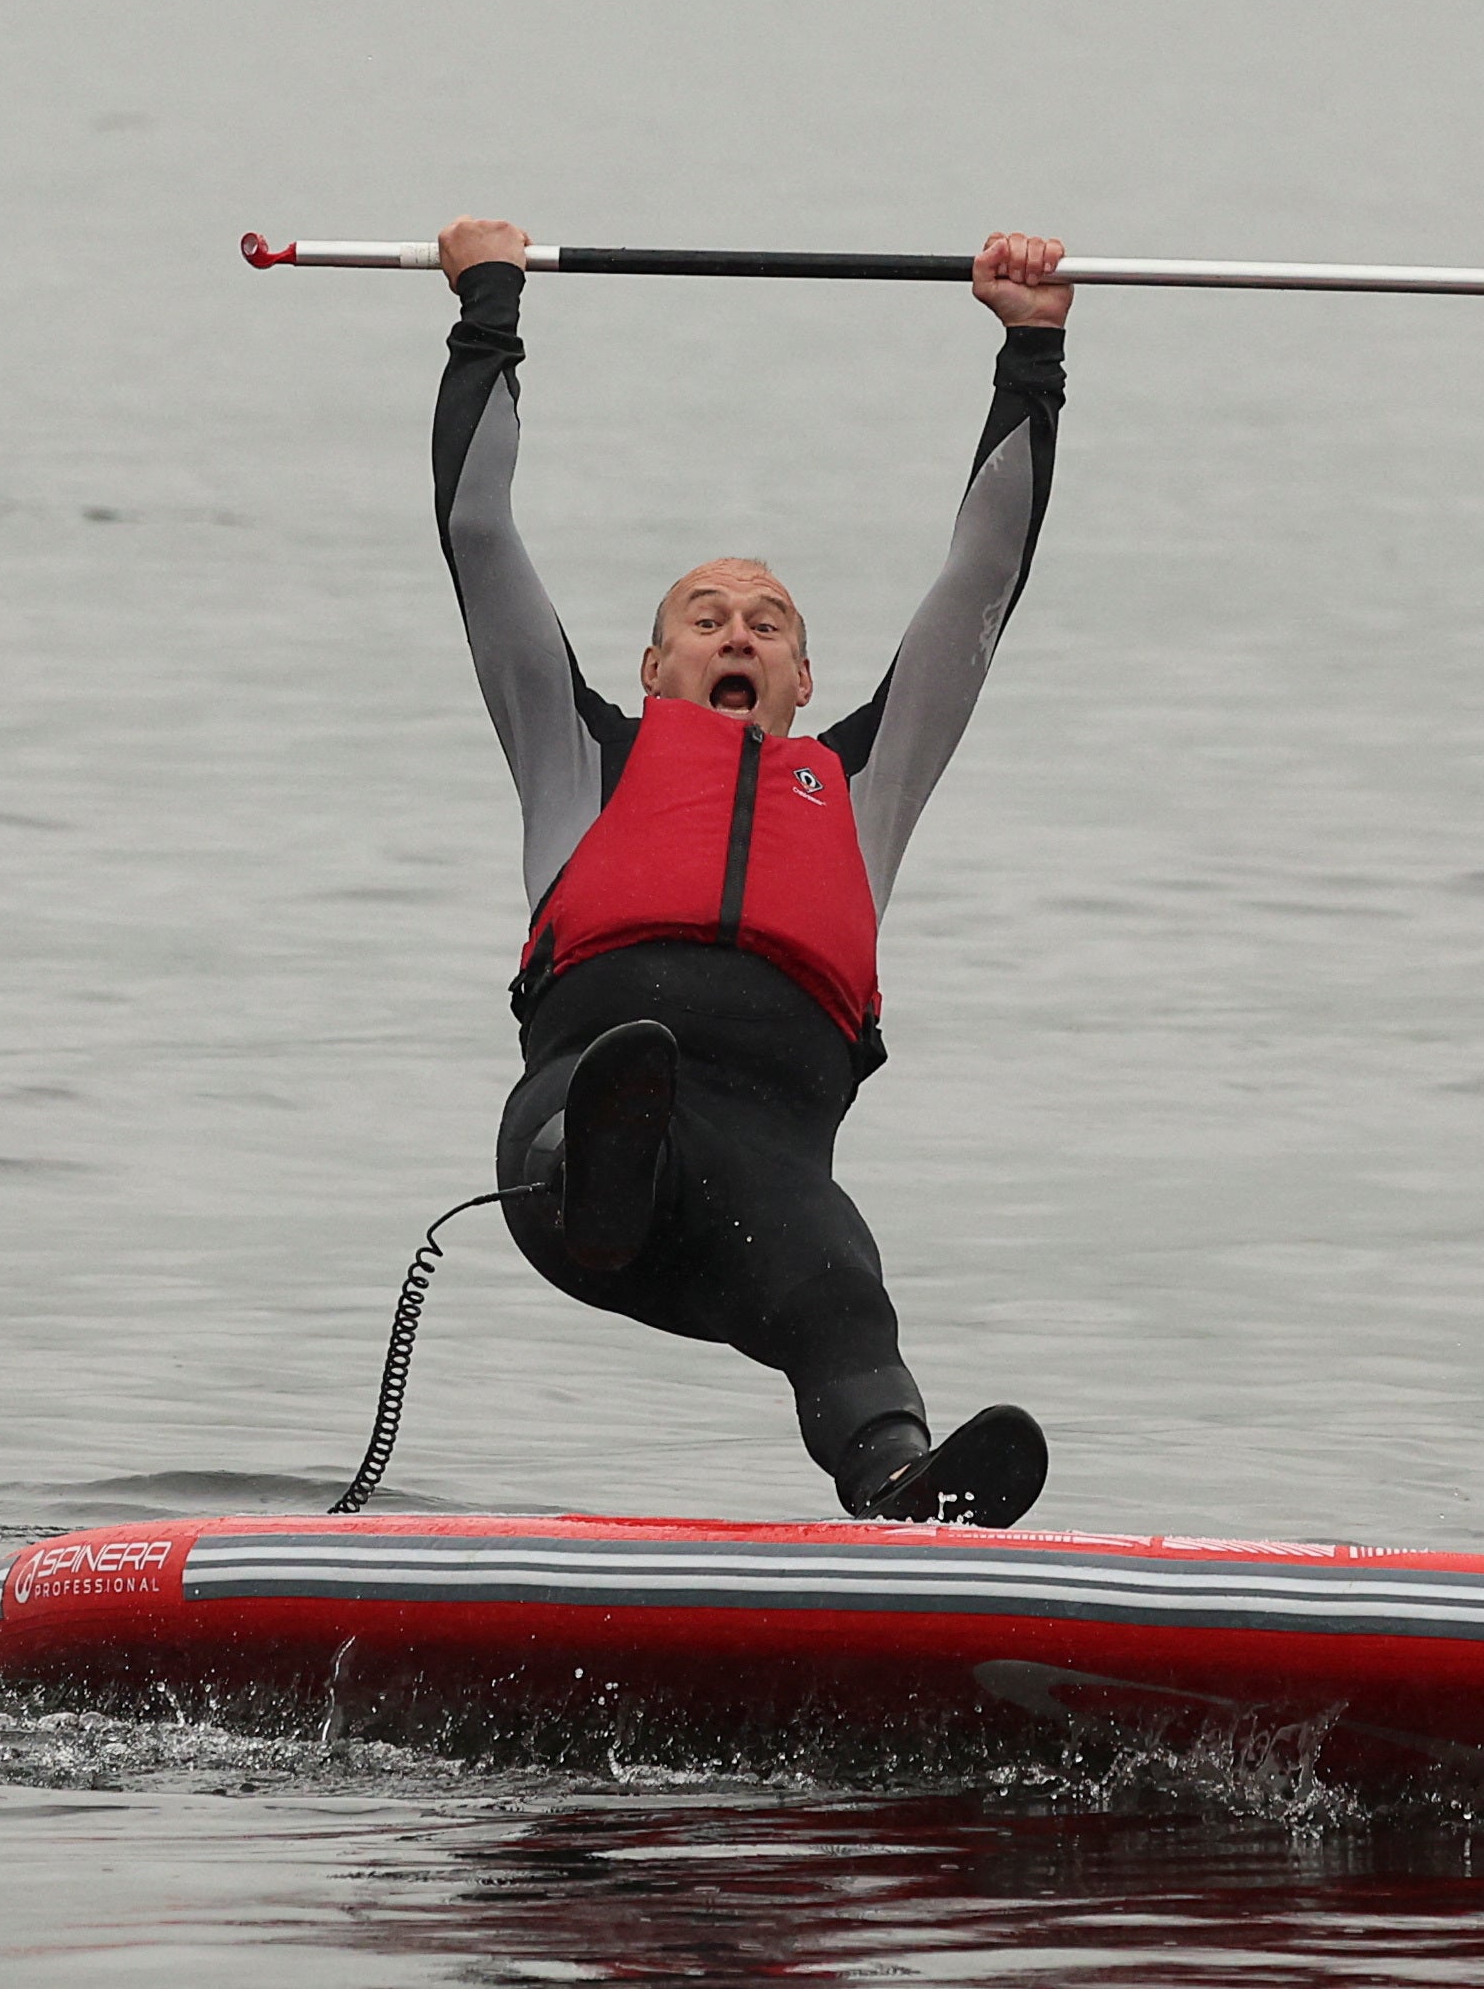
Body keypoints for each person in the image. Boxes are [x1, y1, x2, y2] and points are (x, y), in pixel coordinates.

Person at [430, 216, 1069, 1525]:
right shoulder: (577, 751)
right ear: (656, 668)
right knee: (628, 1087)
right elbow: (478, 534)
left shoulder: (861, 786)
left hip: (760, 1186)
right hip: (569, 1153)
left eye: (766, 621)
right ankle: (610, 1176)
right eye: (705, 617)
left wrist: (1031, 349)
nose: (738, 630)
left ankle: (898, 1489)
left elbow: (980, 576)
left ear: (802, 677)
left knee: (841, 1282)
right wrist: (488, 305)